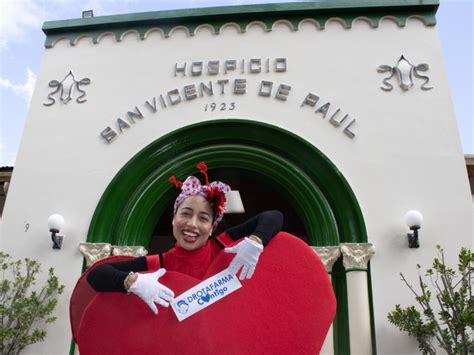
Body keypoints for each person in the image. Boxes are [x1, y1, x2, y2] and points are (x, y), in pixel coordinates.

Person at [87, 162, 283, 315]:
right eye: (186, 214)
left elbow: (273, 216)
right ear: (174, 219)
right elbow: (95, 274)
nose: (192, 224)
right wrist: (132, 281)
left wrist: (257, 240)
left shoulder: (223, 246)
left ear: (211, 228)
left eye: (203, 218)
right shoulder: (157, 265)